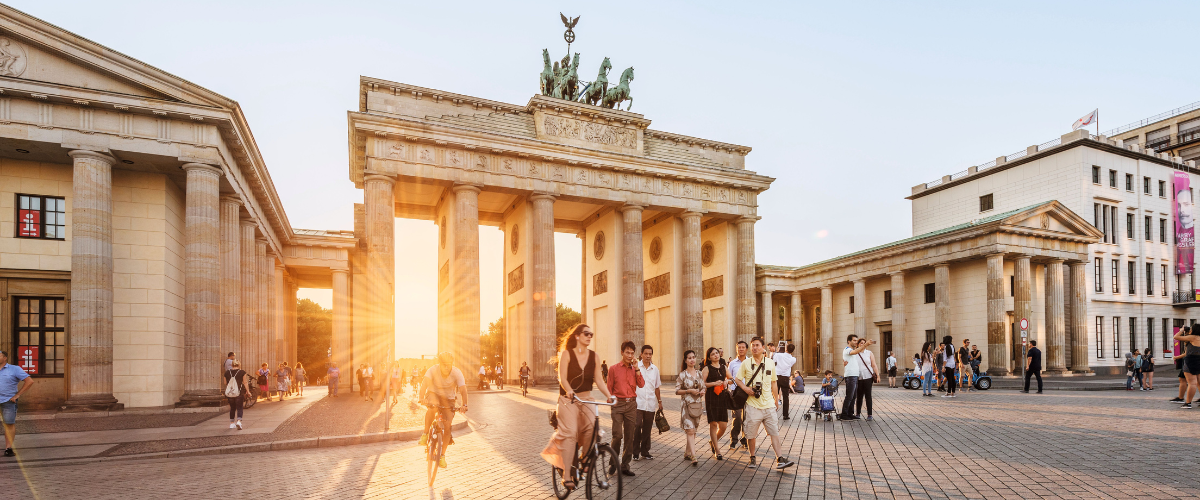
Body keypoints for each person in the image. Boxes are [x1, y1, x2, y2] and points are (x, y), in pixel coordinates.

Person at [541, 324, 614, 491]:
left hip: (587, 398)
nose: (589, 336)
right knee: (571, 432)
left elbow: (599, 380)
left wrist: (609, 395)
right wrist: (570, 391)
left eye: (591, 334)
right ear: (577, 336)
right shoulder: (566, 354)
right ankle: (567, 476)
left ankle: (583, 460)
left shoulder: (594, 356)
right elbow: (562, 378)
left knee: (592, 428)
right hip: (569, 400)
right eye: (586, 333)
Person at [733, 337, 795, 470]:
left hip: (768, 404)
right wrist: (746, 389)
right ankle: (752, 457)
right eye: (753, 345)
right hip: (752, 404)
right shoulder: (746, 363)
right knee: (751, 434)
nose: (755, 347)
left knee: (774, 432)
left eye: (757, 345)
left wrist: (775, 398)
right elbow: (737, 379)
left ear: (763, 348)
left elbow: (774, 382)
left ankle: (779, 458)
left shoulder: (770, 363)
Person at [418, 352, 468, 468]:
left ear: (452, 364)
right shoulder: (432, 370)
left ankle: (442, 455)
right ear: (439, 363)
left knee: (448, 425)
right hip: (434, 393)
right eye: (444, 364)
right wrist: (421, 398)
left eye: (449, 364)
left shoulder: (457, 372)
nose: (446, 367)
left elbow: (463, 390)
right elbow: (424, 384)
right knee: (433, 406)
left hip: (449, 399)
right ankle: (425, 434)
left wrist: (464, 404)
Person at [606, 341, 645, 476]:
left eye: (632, 353)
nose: (629, 355)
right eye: (627, 352)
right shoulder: (613, 369)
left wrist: (638, 368)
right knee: (617, 435)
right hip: (618, 404)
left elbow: (641, 384)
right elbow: (609, 388)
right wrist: (611, 401)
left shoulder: (635, 369)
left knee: (630, 436)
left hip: (631, 405)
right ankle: (613, 462)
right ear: (621, 352)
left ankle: (625, 465)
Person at [0, 350, 35, 457]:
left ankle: (8, 448)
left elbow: (29, 381)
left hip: (8, 401)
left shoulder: (14, 369)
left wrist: (17, 395)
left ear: (5, 358)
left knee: (9, 424)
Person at [633, 344, 662, 462]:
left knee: (647, 428)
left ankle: (645, 451)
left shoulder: (655, 369)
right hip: (637, 402)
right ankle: (635, 452)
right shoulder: (635, 367)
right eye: (646, 353)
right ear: (641, 354)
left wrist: (660, 401)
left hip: (650, 403)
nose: (648, 356)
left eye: (650, 354)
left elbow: (657, 387)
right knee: (637, 426)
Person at [676, 350, 704, 466]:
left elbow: (704, 386)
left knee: (693, 430)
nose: (692, 360)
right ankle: (694, 456)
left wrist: (703, 391)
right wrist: (689, 391)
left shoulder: (700, 373)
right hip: (686, 405)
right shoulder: (682, 375)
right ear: (685, 360)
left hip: (697, 405)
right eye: (689, 358)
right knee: (690, 430)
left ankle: (687, 452)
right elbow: (677, 390)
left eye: (693, 357)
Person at [699, 347, 727, 462]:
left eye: (716, 353)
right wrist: (714, 383)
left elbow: (731, 379)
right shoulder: (707, 368)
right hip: (711, 398)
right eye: (713, 354)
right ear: (709, 358)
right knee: (713, 424)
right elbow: (702, 383)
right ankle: (717, 450)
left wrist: (726, 381)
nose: (716, 355)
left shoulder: (724, 367)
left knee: (723, 426)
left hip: (722, 398)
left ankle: (712, 441)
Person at [839, 334, 871, 420]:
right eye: (854, 340)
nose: (856, 342)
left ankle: (850, 413)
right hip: (850, 376)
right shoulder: (847, 349)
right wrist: (866, 344)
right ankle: (844, 414)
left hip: (855, 375)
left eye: (856, 340)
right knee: (849, 396)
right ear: (849, 341)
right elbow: (855, 352)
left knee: (853, 396)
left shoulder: (852, 350)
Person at [727, 340, 749, 451]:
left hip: (748, 394)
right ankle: (733, 440)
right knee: (737, 418)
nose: (741, 349)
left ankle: (745, 440)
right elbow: (729, 378)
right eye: (739, 347)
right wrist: (729, 385)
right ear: (736, 349)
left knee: (747, 418)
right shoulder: (732, 363)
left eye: (743, 347)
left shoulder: (750, 362)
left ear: (746, 349)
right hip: (736, 394)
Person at [1173, 326, 1200, 409]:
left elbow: (1176, 337)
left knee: (1192, 383)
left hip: (1191, 361)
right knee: (1199, 382)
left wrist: (1181, 330)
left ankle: (1188, 403)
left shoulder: (1192, 337)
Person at [853, 338, 878, 421]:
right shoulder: (855, 353)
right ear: (858, 344)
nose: (862, 344)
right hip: (859, 377)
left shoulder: (869, 353)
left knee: (868, 396)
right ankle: (858, 413)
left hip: (868, 377)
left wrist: (878, 375)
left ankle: (869, 414)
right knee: (859, 396)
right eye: (861, 343)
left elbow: (874, 365)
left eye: (864, 343)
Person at [772, 343, 796, 419]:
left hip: (777, 376)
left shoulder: (779, 355)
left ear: (785, 348)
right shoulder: (793, 359)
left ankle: (772, 413)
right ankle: (785, 415)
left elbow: (773, 360)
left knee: (774, 395)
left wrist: (777, 351)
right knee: (786, 397)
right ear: (792, 351)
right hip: (785, 378)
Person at [224, 360, 248, 430]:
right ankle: (239, 421)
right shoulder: (242, 372)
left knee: (232, 408)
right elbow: (245, 382)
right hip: (239, 392)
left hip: (230, 393)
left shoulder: (227, 372)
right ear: (239, 365)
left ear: (232, 365)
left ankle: (232, 424)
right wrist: (248, 391)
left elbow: (225, 383)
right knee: (240, 407)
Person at [1171, 327, 1190, 403]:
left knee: (1184, 379)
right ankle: (1181, 397)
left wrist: (1176, 357)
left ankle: (1181, 398)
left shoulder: (1190, 339)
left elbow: (1186, 353)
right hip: (1190, 361)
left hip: (1189, 362)